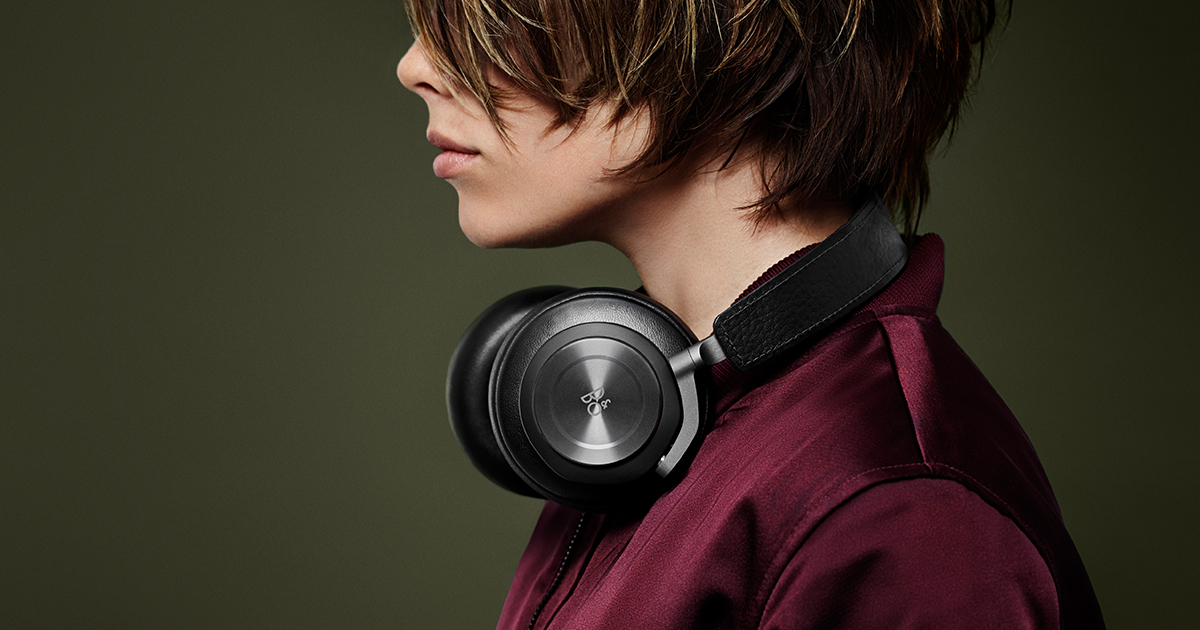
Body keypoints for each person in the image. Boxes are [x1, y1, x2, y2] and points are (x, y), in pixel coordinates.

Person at [398, 0, 1105, 627]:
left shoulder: (903, 522)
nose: (416, 67)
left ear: (720, 33)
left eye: (496, 21)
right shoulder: (649, 413)